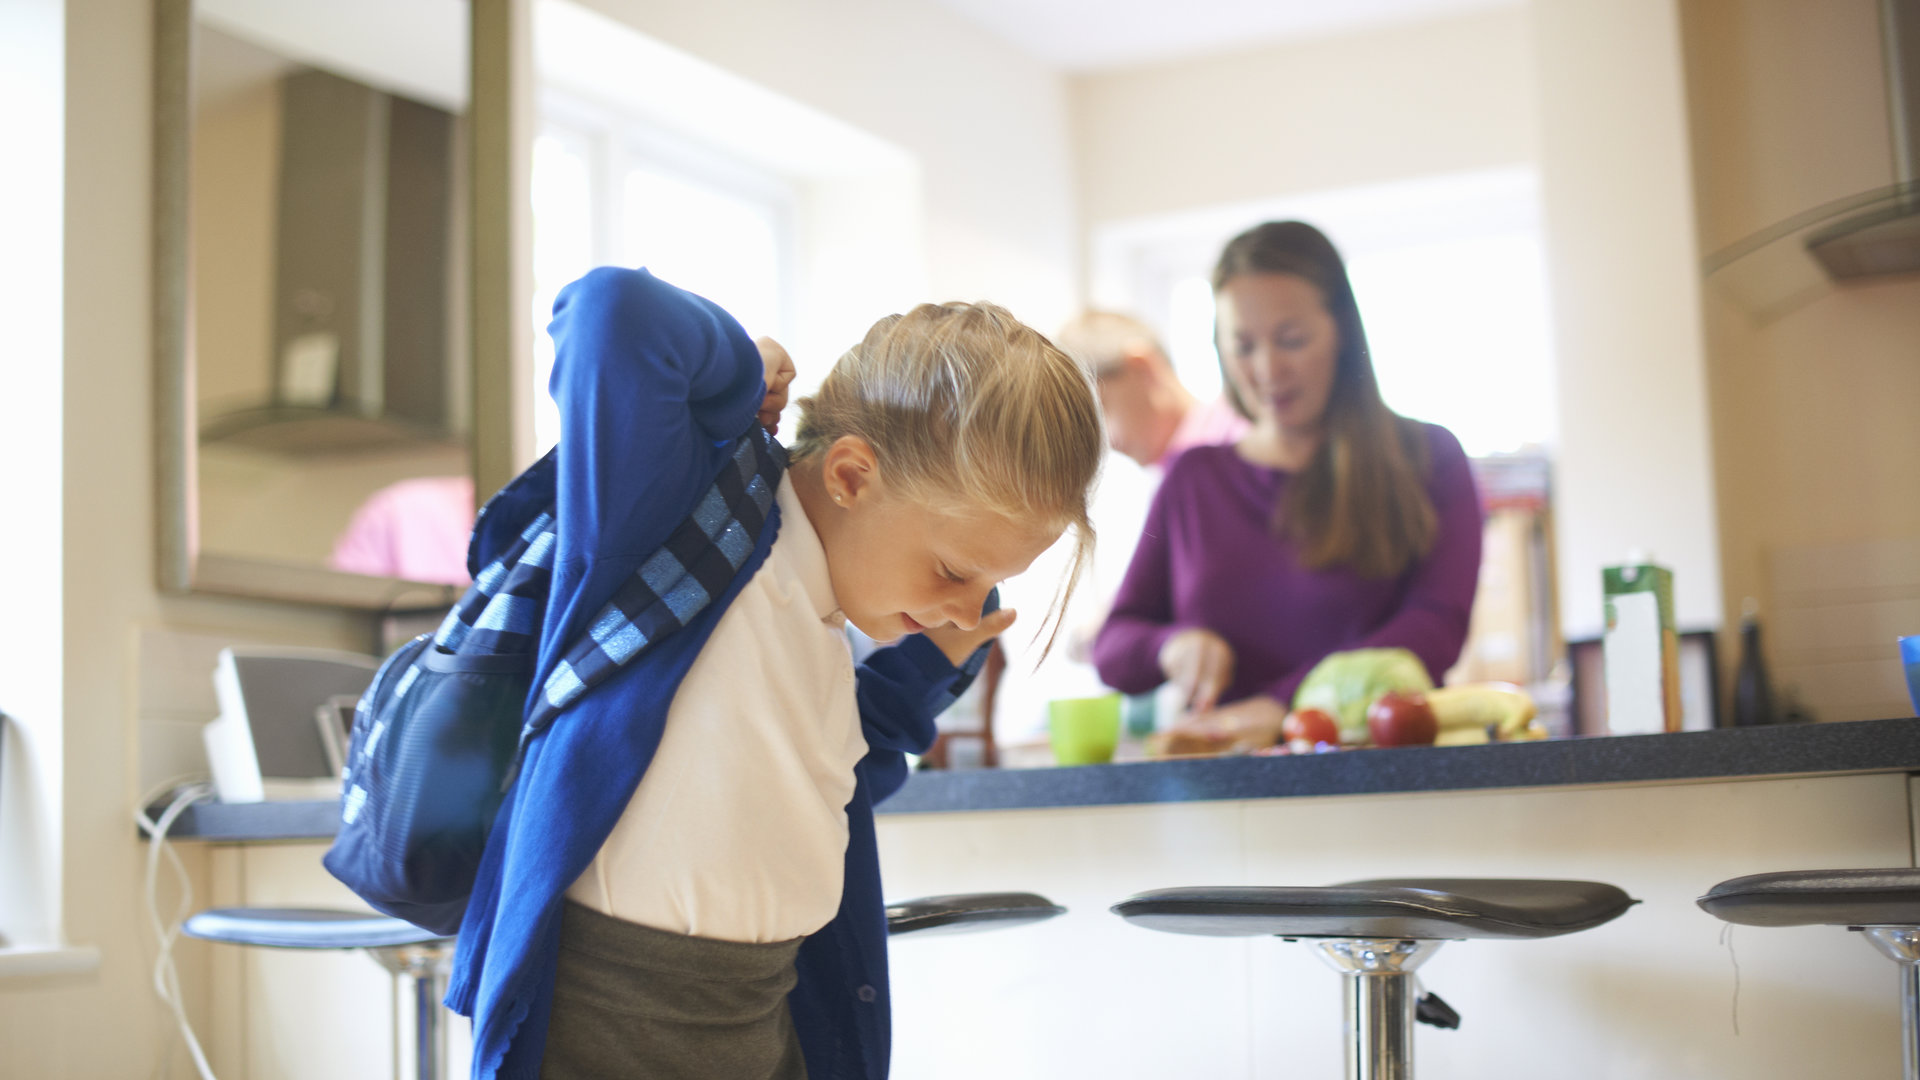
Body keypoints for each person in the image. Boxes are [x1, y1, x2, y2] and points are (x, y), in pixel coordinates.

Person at [448, 267, 1104, 1080]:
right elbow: (613, 311)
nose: (972, 611)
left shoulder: (826, 626)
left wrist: (932, 663)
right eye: (951, 570)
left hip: (766, 1025)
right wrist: (734, 373)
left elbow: (838, 777)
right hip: (607, 1026)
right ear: (853, 476)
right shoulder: (674, 526)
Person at [1092, 221, 1483, 743]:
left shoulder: (1430, 458)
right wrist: (1172, 646)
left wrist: (1281, 706)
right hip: (1231, 787)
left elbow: (1434, 630)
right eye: (1243, 345)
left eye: (1292, 340)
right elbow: (1115, 648)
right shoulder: (1194, 479)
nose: (1268, 368)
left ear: (1341, 331)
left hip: (1383, 776)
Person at [1053, 309, 1246, 469]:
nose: (1106, 442)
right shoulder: (1171, 470)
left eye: (1102, 409)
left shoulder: (1236, 443)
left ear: (1142, 369)